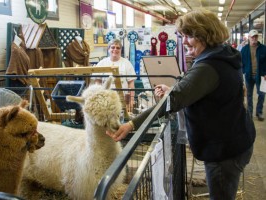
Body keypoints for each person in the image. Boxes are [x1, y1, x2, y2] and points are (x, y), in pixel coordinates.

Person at [107, 9, 256, 200]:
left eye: (189, 36)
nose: (184, 41)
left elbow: (172, 102)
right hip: (236, 138)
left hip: (223, 151)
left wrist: (132, 124)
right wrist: (176, 90)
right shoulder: (224, 54)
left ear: (205, 35)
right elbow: (203, 90)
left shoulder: (207, 67)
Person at [92, 39, 136, 111]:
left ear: (121, 50)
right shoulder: (102, 63)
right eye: (112, 47)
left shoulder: (127, 63)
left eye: (118, 48)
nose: (115, 49)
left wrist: (131, 101)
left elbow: (131, 84)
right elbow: (98, 83)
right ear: (108, 49)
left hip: (122, 100)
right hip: (105, 100)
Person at [241, 29, 266, 121]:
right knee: (249, 95)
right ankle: (250, 112)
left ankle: (259, 112)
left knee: (262, 94)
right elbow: (241, 63)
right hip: (248, 76)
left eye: (255, 36)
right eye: (252, 37)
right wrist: (243, 72)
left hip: (262, 76)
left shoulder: (264, 48)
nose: (254, 38)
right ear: (249, 38)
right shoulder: (244, 49)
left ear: (257, 37)